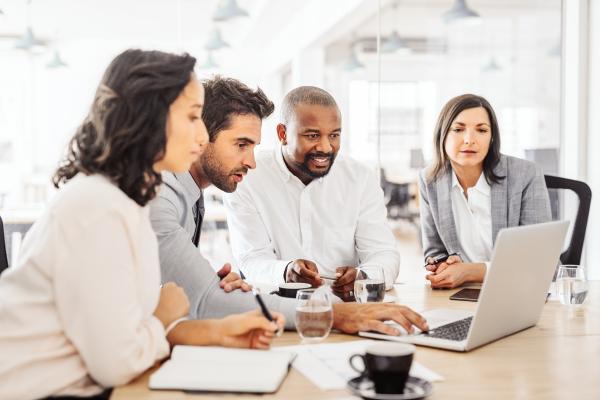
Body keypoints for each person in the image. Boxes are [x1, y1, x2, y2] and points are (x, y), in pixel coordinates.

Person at [0, 50, 282, 400]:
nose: (201, 137)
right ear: (149, 118)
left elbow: (124, 328)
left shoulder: (125, 202)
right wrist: (164, 313)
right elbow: (116, 361)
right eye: (193, 117)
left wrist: (216, 331)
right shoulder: (98, 206)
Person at [151, 76, 428, 335]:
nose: (251, 162)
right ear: (199, 135)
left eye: (334, 135)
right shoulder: (162, 197)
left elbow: (184, 293)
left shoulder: (188, 193)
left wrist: (211, 284)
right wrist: (334, 314)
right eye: (241, 145)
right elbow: (208, 300)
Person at [223, 86, 400, 301]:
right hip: (280, 308)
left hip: (348, 307)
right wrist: (285, 271)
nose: (326, 147)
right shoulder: (249, 177)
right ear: (283, 134)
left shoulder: (360, 178)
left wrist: (364, 277)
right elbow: (251, 259)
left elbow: (383, 253)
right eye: (312, 135)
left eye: (334, 135)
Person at [419, 94, 552, 289]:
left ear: (491, 138)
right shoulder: (430, 179)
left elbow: (539, 259)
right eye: (458, 129)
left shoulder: (525, 174)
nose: (469, 140)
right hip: (460, 293)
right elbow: (435, 251)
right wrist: (441, 265)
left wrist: (470, 271)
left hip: (518, 289)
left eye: (481, 130)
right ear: (442, 134)